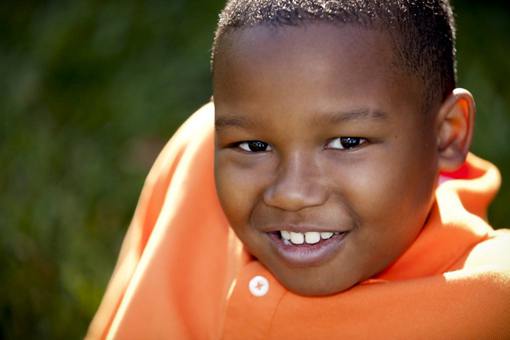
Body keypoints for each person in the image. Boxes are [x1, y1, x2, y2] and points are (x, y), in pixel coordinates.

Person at [87, 0, 510, 338]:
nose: (291, 193)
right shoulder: (199, 154)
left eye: (347, 142)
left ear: (447, 136)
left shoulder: (491, 301)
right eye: (256, 146)